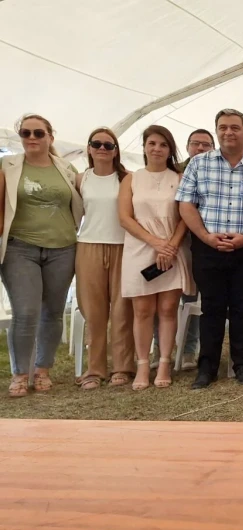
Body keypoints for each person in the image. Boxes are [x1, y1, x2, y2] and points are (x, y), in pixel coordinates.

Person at [177, 108, 243, 389]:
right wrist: (205, 236)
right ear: (217, 131)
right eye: (223, 127)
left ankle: (242, 365)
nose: (228, 132)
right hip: (208, 248)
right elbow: (186, 204)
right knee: (211, 308)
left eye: (235, 127)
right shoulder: (199, 165)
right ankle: (207, 368)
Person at [0, 114, 82, 397]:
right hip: (19, 248)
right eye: (26, 133)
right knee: (25, 312)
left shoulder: (66, 168)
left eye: (38, 133)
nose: (32, 138)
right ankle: (20, 374)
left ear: (50, 137)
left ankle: (43, 370)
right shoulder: (7, 166)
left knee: (53, 312)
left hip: (64, 248)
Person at [119, 125, 194, 390]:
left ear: (170, 149)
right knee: (142, 310)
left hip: (173, 249)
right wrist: (156, 243)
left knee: (167, 309)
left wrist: (170, 246)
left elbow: (185, 216)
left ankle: (164, 362)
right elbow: (125, 218)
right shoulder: (131, 179)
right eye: (152, 143)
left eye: (163, 144)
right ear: (144, 147)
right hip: (140, 248)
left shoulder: (180, 178)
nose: (157, 149)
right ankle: (142, 365)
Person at [74, 127, 135, 390]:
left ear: (115, 150)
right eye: (96, 144)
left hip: (122, 246)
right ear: (88, 148)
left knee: (123, 310)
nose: (102, 148)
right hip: (88, 246)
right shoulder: (80, 179)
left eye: (108, 145)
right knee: (93, 311)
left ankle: (122, 367)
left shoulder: (127, 178)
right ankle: (95, 369)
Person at [151, 128, 215, 369]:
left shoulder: (215, 172)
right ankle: (160, 350)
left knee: (192, 300)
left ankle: (188, 351)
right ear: (187, 147)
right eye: (195, 143)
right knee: (161, 300)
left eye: (206, 145)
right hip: (165, 245)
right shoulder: (172, 173)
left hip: (197, 247)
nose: (200, 148)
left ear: (213, 149)